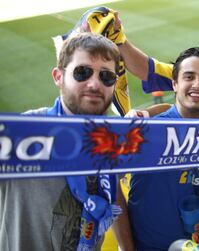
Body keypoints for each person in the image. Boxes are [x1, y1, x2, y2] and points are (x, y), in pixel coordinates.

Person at [0, 33, 122, 250]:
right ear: (58, 76)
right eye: (82, 72)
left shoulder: (114, 140)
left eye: (106, 77)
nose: (95, 84)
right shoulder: (22, 133)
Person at [113, 47, 199, 250]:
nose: (197, 84)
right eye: (189, 77)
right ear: (175, 84)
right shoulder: (148, 129)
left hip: (189, 245)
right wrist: (126, 246)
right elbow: (109, 185)